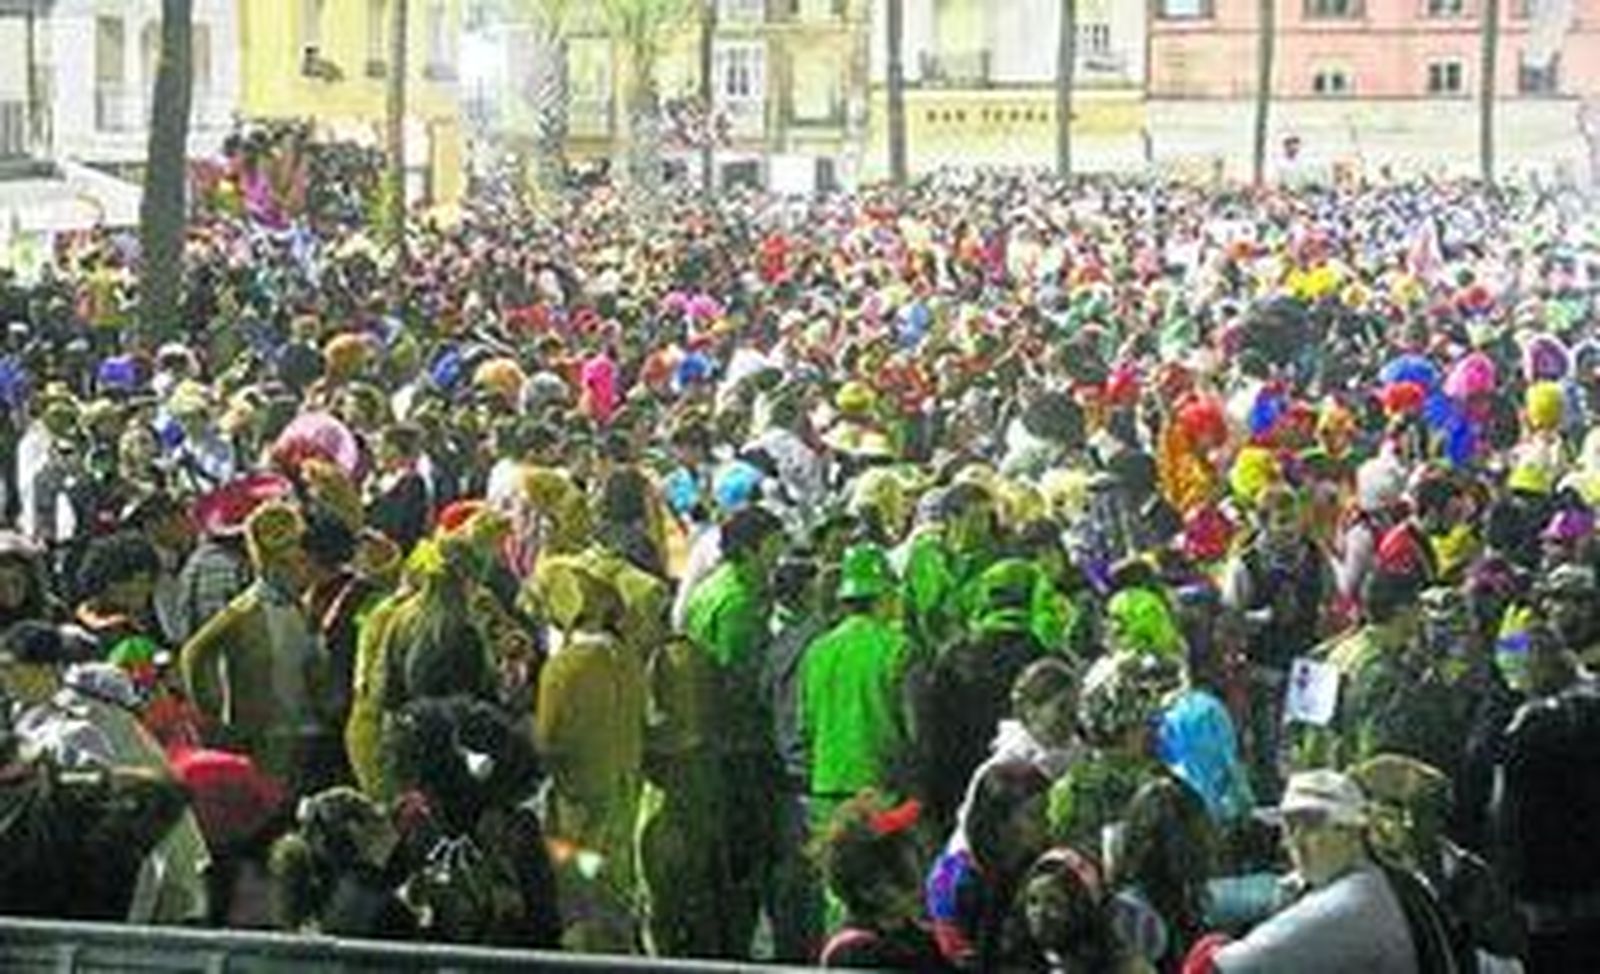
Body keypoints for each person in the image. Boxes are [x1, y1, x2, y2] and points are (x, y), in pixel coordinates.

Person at [1206, 770, 1422, 974]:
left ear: (1350, 832)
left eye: (1310, 825)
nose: (1293, 842)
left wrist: (1210, 947)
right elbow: (1269, 891)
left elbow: (1217, 969)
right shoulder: (1364, 877)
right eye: (1289, 826)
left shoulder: (1350, 902)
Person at [180, 501, 330, 790]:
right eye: (289, 563)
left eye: (301, 560)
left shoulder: (303, 605)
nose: (301, 570)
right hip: (264, 732)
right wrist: (213, 710)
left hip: (306, 727)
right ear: (269, 565)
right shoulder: (244, 610)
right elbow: (194, 654)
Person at [800, 543, 914, 824]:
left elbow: (805, 727)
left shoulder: (817, 650)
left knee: (835, 864)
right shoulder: (898, 648)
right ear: (883, 595)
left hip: (826, 791)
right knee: (883, 865)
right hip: (881, 791)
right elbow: (914, 728)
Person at [927, 759, 1054, 970]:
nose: (1047, 822)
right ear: (1000, 822)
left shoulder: (1033, 864)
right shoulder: (965, 884)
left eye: (1048, 811)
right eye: (1034, 815)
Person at [817, 792, 951, 970]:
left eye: (921, 864)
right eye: (905, 876)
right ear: (866, 889)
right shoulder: (853, 952)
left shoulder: (923, 940)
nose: (920, 886)